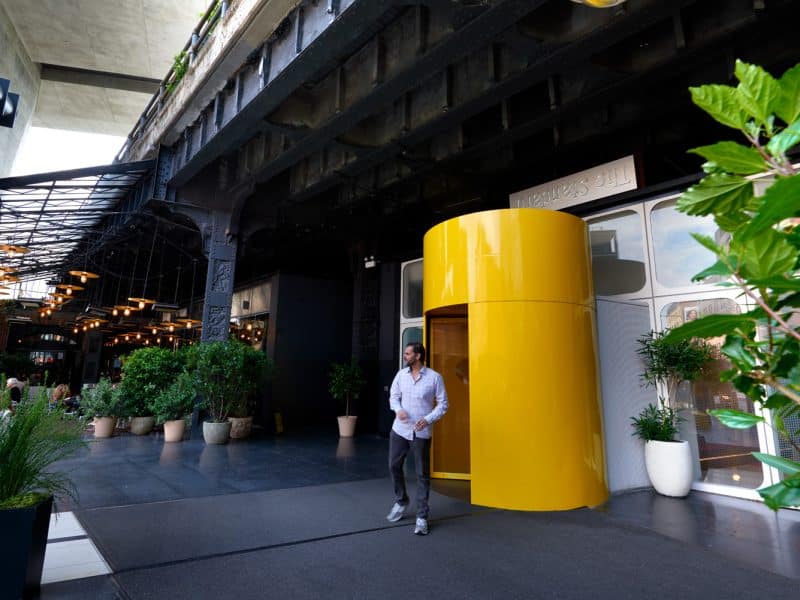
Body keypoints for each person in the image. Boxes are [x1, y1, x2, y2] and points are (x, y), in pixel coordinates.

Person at [386, 342, 448, 535]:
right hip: (399, 430)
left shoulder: (434, 378)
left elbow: (443, 404)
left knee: (422, 474)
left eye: (407, 353)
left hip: (421, 433)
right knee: (393, 466)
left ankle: (421, 518)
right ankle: (401, 501)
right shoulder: (400, 375)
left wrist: (427, 419)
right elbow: (393, 397)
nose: (405, 356)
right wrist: (398, 410)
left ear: (418, 356)